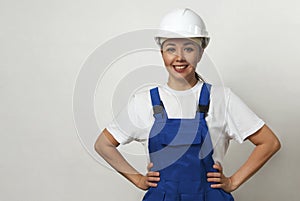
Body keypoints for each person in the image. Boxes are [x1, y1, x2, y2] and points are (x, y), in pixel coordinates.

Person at [94, 8, 281, 201]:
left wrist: (233, 181)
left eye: (189, 48)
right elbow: (103, 144)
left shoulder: (222, 99)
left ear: (201, 52)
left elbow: (269, 142)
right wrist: (139, 180)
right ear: (161, 52)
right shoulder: (143, 102)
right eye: (171, 48)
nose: (179, 57)